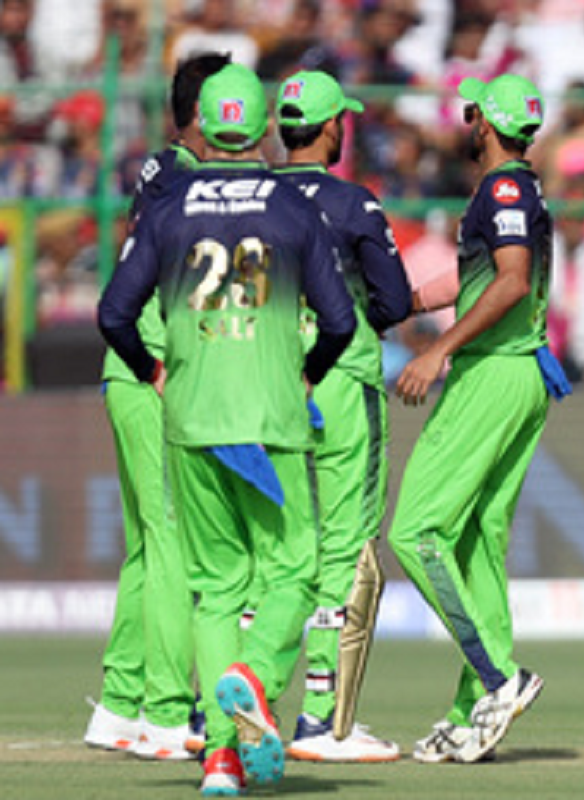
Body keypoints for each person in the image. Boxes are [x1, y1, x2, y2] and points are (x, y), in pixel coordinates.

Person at [98, 63, 356, 794]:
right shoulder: (292, 206)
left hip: (191, 417)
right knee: (296, 569)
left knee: (215, 589)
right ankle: (254, 673)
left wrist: (152, 369)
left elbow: (114, 313)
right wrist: (308, 373)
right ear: (265, 128)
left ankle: (220, 757)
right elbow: (340, 320)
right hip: (271, 416)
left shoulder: (168, 207)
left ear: (204, 126)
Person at [387, 73, 563, 765]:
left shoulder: (505, 190)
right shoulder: (512, 189)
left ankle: (497, 680)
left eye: (470, 113)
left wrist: (438, 349)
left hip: (492, 372)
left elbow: (511, 281)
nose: (465, 123)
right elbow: (477, 277)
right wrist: (406, 304)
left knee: (414, 532)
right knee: (477, 545)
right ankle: (471, 714)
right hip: (517, 373)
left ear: (485, 124)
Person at [83, 50, 230, 762]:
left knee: (148, 547)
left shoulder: (162, 170)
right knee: (173, 542)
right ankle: (168, 713)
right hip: (156, 372)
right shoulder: (190, 181)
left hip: (130, 372)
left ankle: (119, 704)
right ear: (204, 114)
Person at [273, 69, 413, 763]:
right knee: (346, 548)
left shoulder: (252, 196)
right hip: (341, 382)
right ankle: (322, 719)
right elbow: (394, 301)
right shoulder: (353, 204)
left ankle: (238, 700)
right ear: (333, 128)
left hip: (264, 386)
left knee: (271, 547)